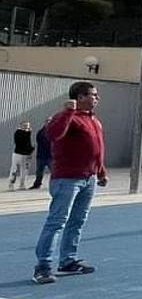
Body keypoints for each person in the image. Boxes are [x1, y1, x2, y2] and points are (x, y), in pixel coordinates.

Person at [33, 81, 108, 285]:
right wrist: (67, 112)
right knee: (57, 222)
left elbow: (97, 149)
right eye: (93, 95)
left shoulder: (94, 120)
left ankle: (68, 260)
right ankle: (43, 266)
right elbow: (53, 134)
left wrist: (100, 172)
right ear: (80, 97)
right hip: (67, 179)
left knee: (77, 221)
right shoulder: (67, 117)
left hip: (88, 179)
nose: (96, 98)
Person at [9, 120, 34, 190]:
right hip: (17, 154)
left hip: (25, 155)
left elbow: (28, 144)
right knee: (14, 169)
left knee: (24, 171)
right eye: (25, 125)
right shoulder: (18, 132)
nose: (26, 127)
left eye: (28, 126)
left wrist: (30, 151)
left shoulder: (27, 133)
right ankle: (11, 184)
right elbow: (21, 142)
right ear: (21, 126)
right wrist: (28, 133)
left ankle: (22, 185)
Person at [29, 117, 53, 190]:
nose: (48, 123)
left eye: (50, 121)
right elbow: (37, 142)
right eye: (47, 121)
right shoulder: (40, 132)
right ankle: (37, 184)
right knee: (39, 172)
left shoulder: (54, 131)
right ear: (45, 122)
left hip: (50, 156)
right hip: (40, 155)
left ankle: (54, 185)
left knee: (54, 172)